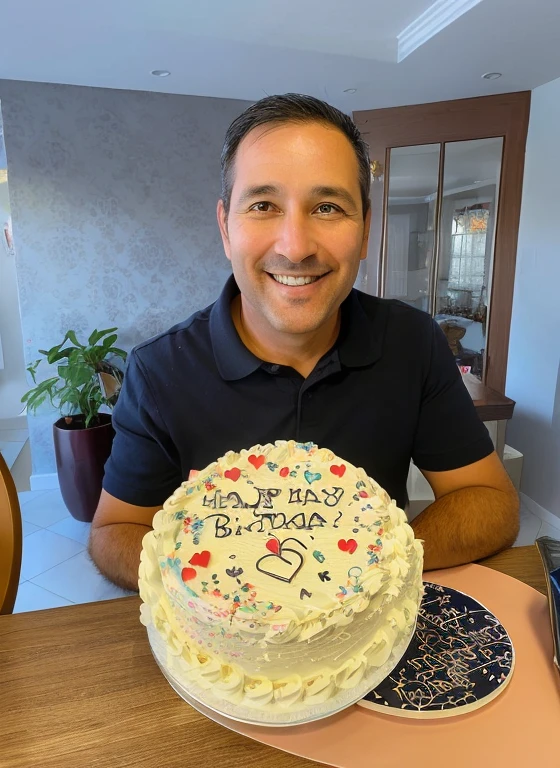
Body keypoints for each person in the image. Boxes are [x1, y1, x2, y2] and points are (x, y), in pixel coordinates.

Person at [88, 94, 519, 592]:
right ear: (226, 227)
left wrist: (370, 569)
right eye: (264, 205)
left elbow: (490, 500)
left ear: (364, 232)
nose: (295, 246)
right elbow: (114, 531)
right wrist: (239, 593)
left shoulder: (412, 342)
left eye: (328, 206)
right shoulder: (160, 369)